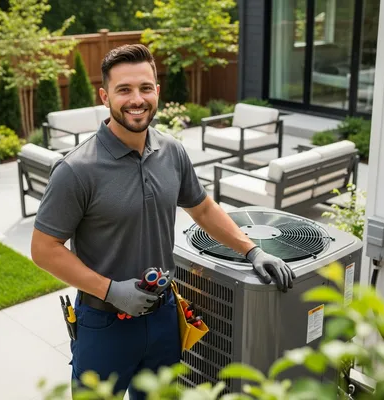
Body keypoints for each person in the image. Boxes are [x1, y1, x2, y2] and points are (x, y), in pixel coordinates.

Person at [31, 44, 295, 399]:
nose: (135, 99)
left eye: (144, 88)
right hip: (103, 322)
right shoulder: (76, 170)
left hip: (163, 315)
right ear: (104, 96)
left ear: (157, 91)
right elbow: (44, 249)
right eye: (123, 90)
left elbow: (202, 209)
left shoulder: (172, 151)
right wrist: (112, 290)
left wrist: (252, 251)